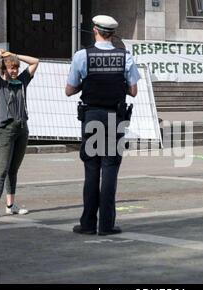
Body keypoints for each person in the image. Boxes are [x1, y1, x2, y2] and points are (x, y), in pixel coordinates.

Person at [65, 15, 140, 236]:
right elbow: (133, 91)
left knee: (91, 170)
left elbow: (69, 90)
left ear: (95, 31)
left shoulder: (81, 56)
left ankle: (88, 223)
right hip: (115, 118)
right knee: (110, 170)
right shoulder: (124, 57)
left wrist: (87, 84)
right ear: (113, 34)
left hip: (91, 116)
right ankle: (106, 225)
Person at [0, 49, 39, 218]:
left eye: (16, 67)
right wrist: (1, 56)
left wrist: (14, 55)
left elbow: (35, 61)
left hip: (22, 129)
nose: (14, 70)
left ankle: (10, 205)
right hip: (4, 130)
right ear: (4, 69)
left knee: (13, 170)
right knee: (2, 169)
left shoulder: (22, 81)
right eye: (11, 68)